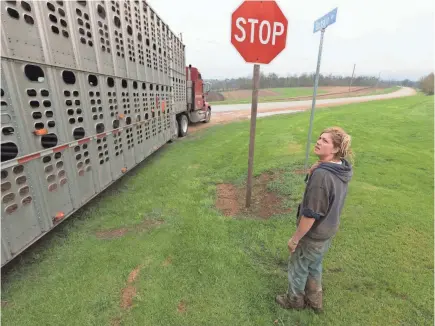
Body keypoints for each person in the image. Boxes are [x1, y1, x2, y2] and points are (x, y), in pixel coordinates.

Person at [275, 126, 354, 313]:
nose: (318, 142)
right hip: (328, 231)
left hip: (314, 234)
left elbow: (311, 214)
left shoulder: (322, 176)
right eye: (319, 138)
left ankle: (294, 301)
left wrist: (295, 239)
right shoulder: (340, 168)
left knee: (298, 267)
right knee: (314, 264)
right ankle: (315, 300)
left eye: (325, 141)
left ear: (335, 149)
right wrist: (312, 173)